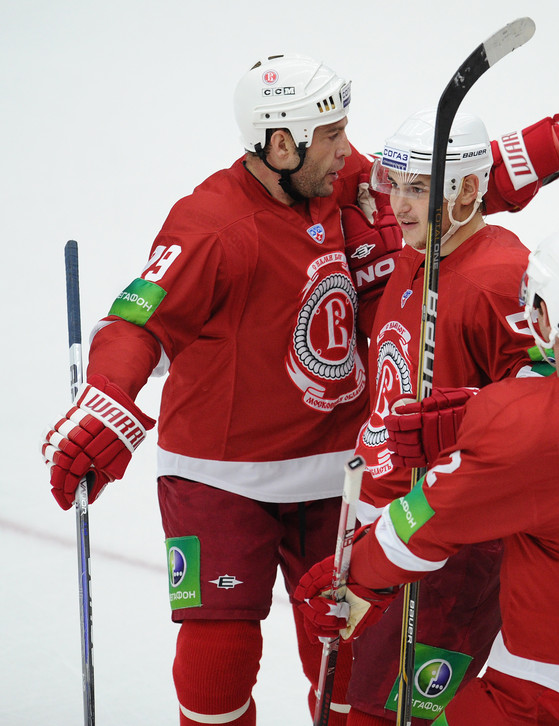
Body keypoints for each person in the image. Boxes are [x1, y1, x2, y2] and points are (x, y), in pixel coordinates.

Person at [296, 98, 559, 725]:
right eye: (399, 187)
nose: (398, 205)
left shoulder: (530, 417)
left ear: (543, 315)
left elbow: (432, 515)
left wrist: (355, 577)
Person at [40, 53, 404, 725]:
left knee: (357, 662)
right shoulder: (211, 225)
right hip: (221, 474)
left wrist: (547, 148)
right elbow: (137, 321)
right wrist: (108, 397)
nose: (347, 150)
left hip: (339, 468)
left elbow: (435, 183)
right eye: (331, 136)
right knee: (218, 661)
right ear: (281, 145)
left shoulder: (344, 178)